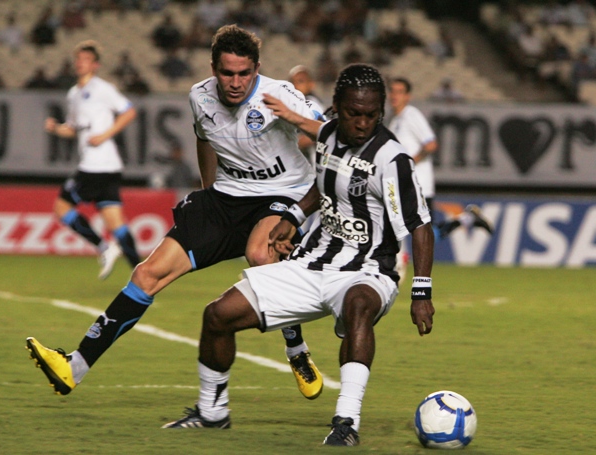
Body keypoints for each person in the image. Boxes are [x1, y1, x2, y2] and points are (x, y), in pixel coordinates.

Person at [26, 25, 323, 402]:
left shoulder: (278, 94)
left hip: (283, 192)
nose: (235, 82)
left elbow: (329, 131)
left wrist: (299, 122)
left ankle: (296, 351)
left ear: (257, 68)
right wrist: (207, 190)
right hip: (226, 197)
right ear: (213, 68)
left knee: (261, 254)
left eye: (244, 73)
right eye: (227, 73)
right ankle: (75, 367)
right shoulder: (199, 97)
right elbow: (205, 138)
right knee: (146, 273)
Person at [161, 64, 435, 446]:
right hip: (313, 262)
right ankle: (212, 412)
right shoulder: (327, 137)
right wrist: (293, 216)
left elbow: (420, 225)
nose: (362, 123)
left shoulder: (392, 160)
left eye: (371, 115)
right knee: (217, 316)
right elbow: (321, 187)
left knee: (358, 306)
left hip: (368, 269)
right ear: (336, 108)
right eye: (354, 114)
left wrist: (421, 292)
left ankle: (346, 422)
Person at [42, 40, 140, 280]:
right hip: (107, 166)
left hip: (96, 166)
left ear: (95, 65)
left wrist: (105, 135)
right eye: (78, 59)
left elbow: (129, 111)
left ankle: (104, 247)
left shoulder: (102, 88)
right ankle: (143, 274)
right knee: (117, 224)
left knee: (61, 208)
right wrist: (56, 128)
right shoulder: (73, 94)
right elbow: (74, 129)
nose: (80, 63)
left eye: (85, 59)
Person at [388, 77, 492, 279]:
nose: (394, 95)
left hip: (419, 184)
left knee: (424, 235)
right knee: (412, 229)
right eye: (392, 90)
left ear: (407, 96)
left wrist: (408, 163)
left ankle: (397, 265)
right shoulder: (395, 120)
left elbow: (431, 144)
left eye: (399, 91)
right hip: (404, 184)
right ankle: (467, 218)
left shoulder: (411, 115)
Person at [288, 65, 325, 162]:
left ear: (311, 84)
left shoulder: (312, 104)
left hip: (312, 162)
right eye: (292, 82)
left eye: (300, 81)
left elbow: (322, 131)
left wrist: (288, 145)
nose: (295, 86)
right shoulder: (291, 104)